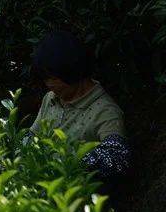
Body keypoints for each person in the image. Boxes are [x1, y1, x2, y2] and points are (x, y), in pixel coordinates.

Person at [28, 30, 130, 178]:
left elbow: (117, 156)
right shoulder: (50, 99)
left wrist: (72, 167)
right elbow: (31, 136)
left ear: (71, 71)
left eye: (52, 78)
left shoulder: (105, 112)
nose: (48, 84)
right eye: (45, 78)